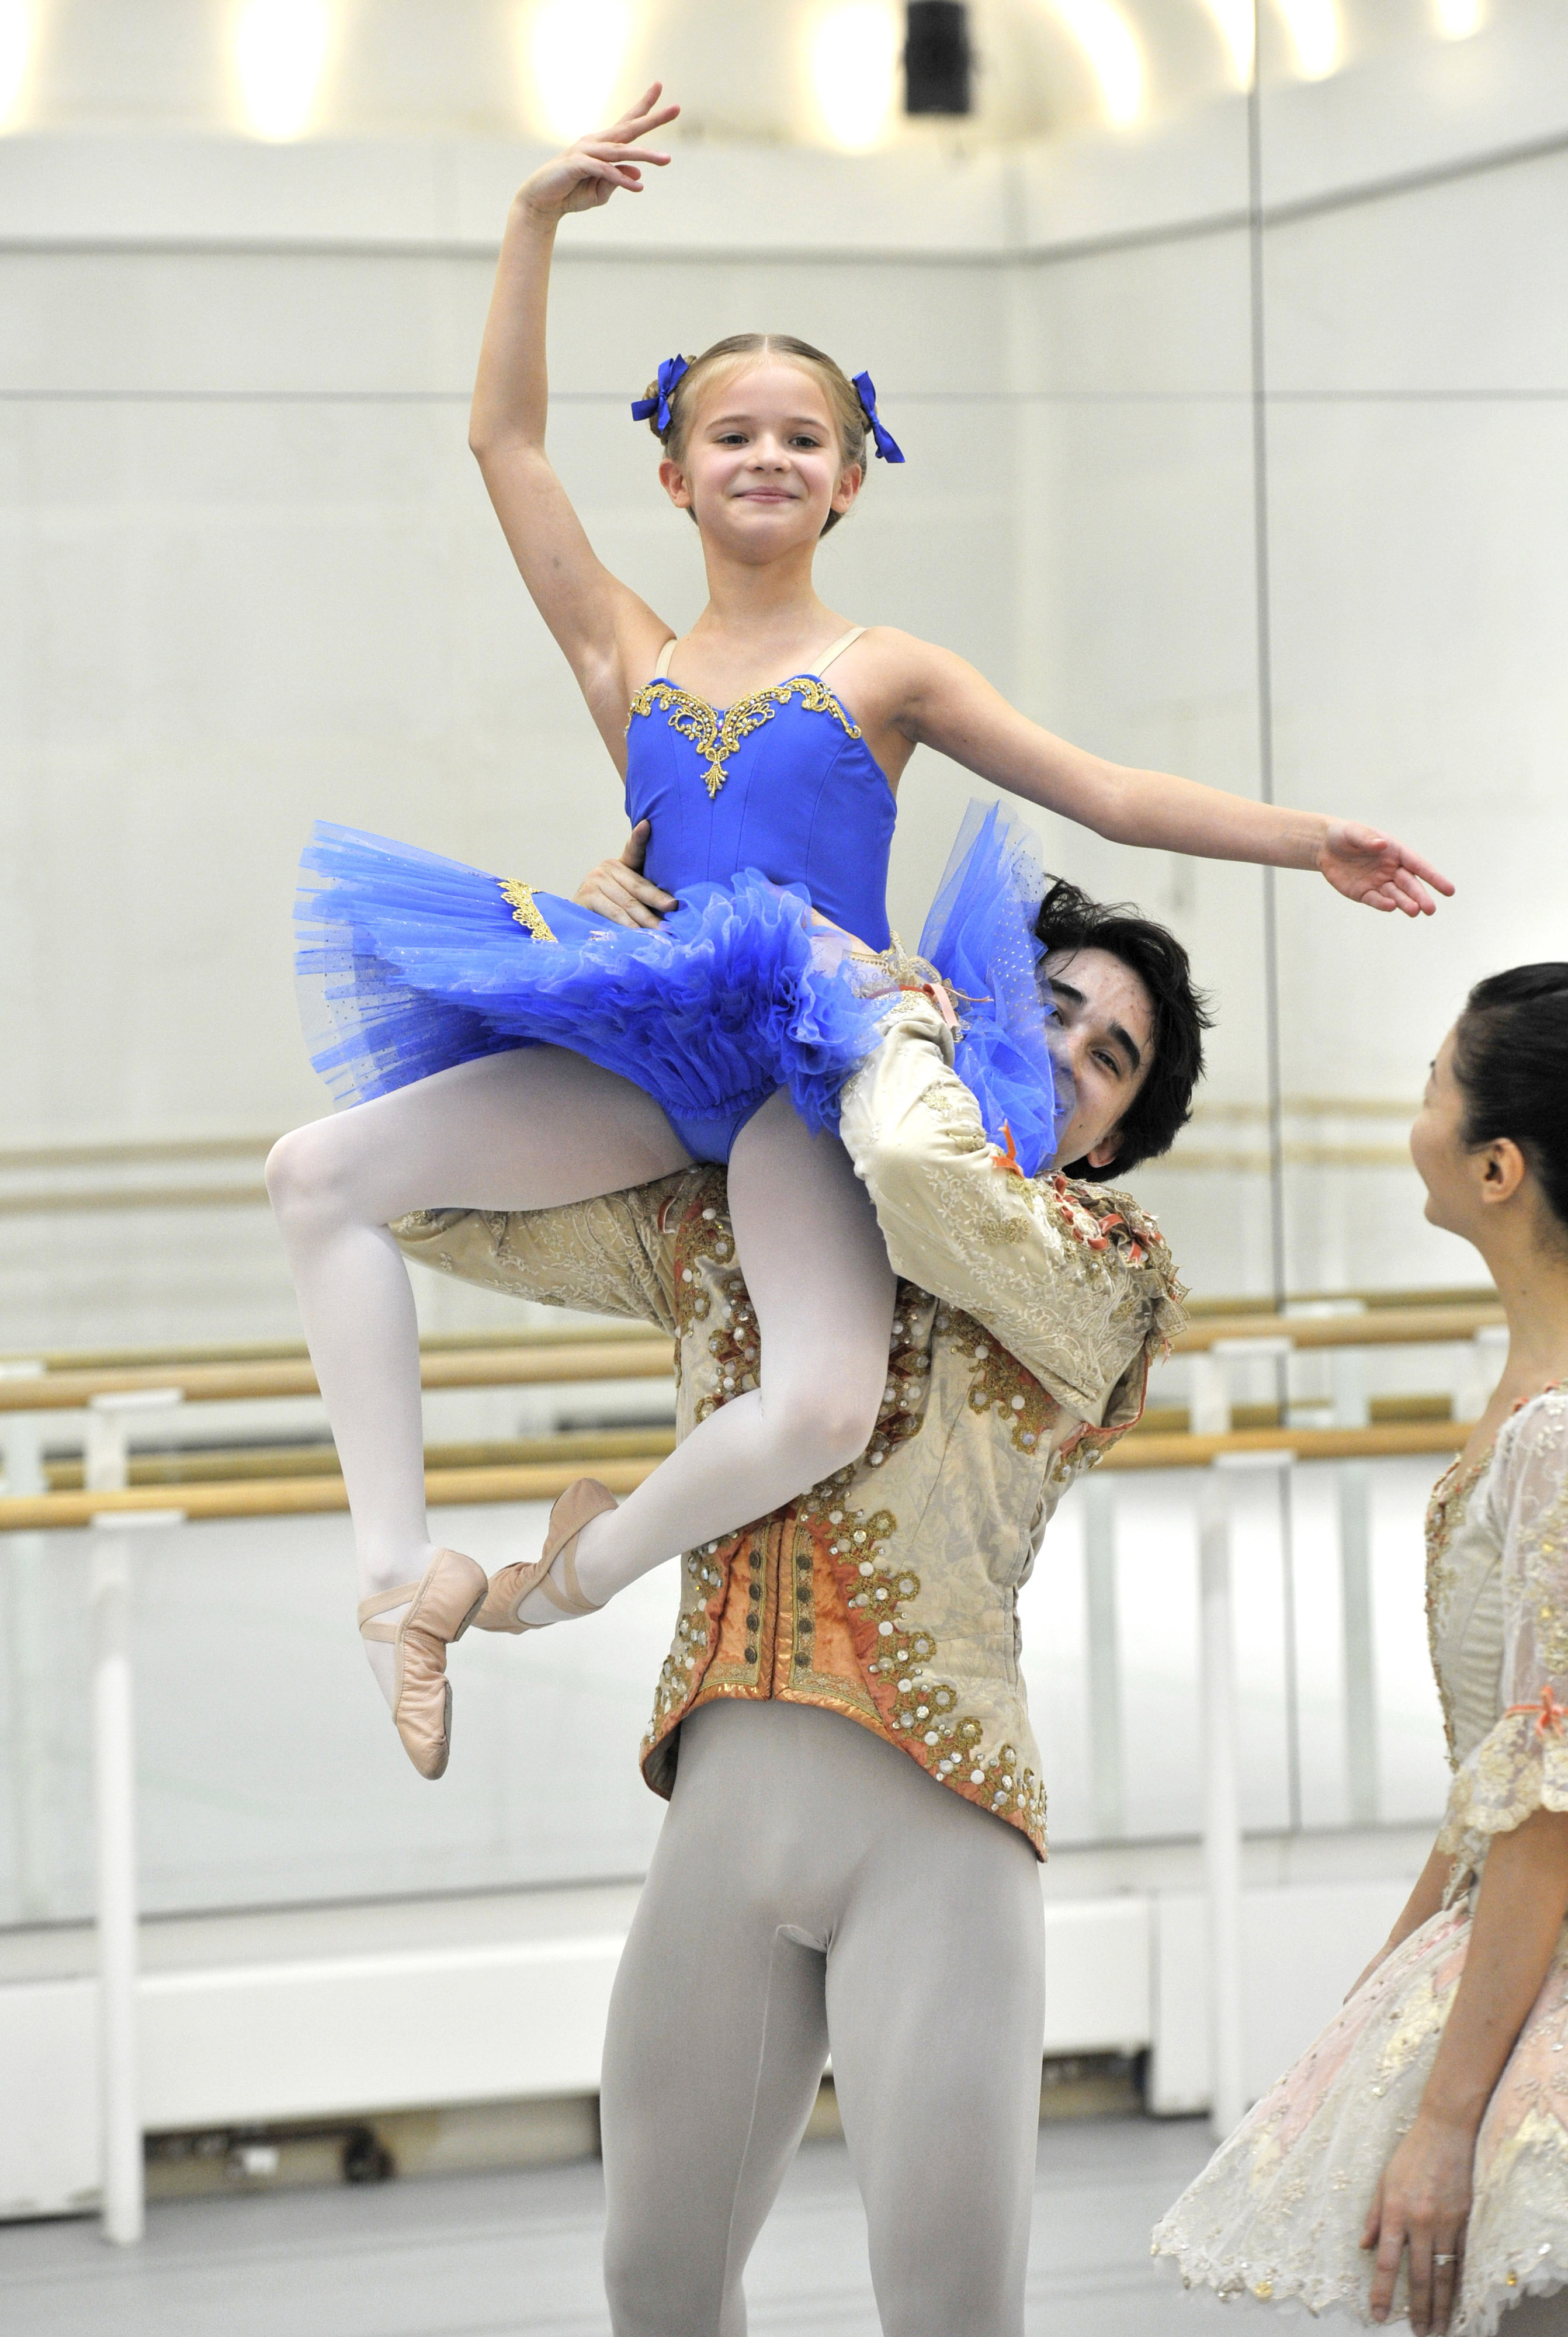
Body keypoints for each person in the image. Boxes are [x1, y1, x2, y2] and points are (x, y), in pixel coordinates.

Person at [266, 82, 1451, 1780]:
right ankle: (399, 1583)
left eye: (801, 438)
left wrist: (1302, 837)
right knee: (318, 1173)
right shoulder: (633, 658)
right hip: (652, 1042)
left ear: (845, 483)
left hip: (806, 1064)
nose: (765, 455)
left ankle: (567, 1576)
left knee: (822, 1400)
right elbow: (505, 451)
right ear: (673, 473)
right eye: (731, 434)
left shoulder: (884, 666)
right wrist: (529, 221)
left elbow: (1100, 790)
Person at [393, 868, 1207, 2337]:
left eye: (1110, 1059)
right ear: (979, 993)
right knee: (658, 2287)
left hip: (940, 1840)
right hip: (721, 1828)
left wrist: (879, 1018)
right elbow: (420, 1198)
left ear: (1114, 1143)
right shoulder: (740, 1208)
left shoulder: (1108, 1276)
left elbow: (921, 1175)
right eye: (1053, 1008)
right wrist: (601, 961)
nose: (1068, 1056)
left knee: (950, 2309)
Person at [1153, 965, 1568, 2337]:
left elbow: (1551, 1801)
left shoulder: (1557, 1435)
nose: (1416, 1116)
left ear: (1498, 1165)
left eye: (1433, 1089)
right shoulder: (1522, 1402)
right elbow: (1498, 1785)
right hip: (1501, 1917)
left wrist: (1446, 2115)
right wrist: (1383, 1982)